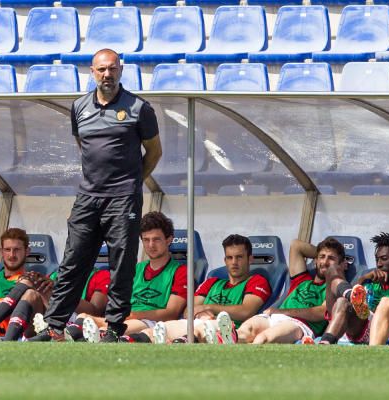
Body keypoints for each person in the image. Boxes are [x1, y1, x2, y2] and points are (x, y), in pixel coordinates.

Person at [32, 48, 162, 341]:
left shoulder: (139, 108)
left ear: (120, 70)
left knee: (122, 263)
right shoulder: (79, 107)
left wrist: (131, 183)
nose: (107, 74)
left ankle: (114, 328)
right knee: (73, 261)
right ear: (92, 71)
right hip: (88, 197)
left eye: (112, 69)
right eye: (101, 69)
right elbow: (85, 145)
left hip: (123, 198)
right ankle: (54, 326)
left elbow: (154, 151)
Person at [71, 211, 187, 343]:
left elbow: (171, 313)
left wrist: (134, 315)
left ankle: (94, 337)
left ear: (169, 240)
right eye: (146, 240)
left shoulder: (181, 271)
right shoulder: (135, 269)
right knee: (83, 317)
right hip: (126, 319)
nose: (150, 245)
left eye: (156, 239)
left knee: (108, 330)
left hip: (153, 323)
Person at [149, 234, 271, 344]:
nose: (234, 262)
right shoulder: (211, 282)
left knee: (204, 328)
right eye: (229, 257)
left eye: (239, 257)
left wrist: (208, 307)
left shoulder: (256, 281)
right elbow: (188, 311)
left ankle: (182, 341)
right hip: (197, 322)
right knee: (158, 329)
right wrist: (201, 314)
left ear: (250, 259)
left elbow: (246, 311)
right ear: (225, 260)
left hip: (227, 329)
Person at [233, 237, 347, 344]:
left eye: (331, 258)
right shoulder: (302, 279)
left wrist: (282, 312)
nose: (325, 262)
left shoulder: (336, 288)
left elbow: (322, 312)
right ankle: (224, 340)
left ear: (342, 264)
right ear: (315, 260)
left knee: (263, 338)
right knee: (243, 332)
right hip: (274, 317)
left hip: (299, 325)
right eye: (322, 257)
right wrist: (321, 255)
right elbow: (296, 246)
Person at [319, 233, 389, 345]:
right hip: (352, 326)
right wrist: (363, 278)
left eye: (384, 259)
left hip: (382, 332)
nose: (379, 264)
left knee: (349, 303)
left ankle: (350, 295)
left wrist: (374, 313)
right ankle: (326, 342)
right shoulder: (370, 283)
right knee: (333, 272)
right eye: (377, 259)